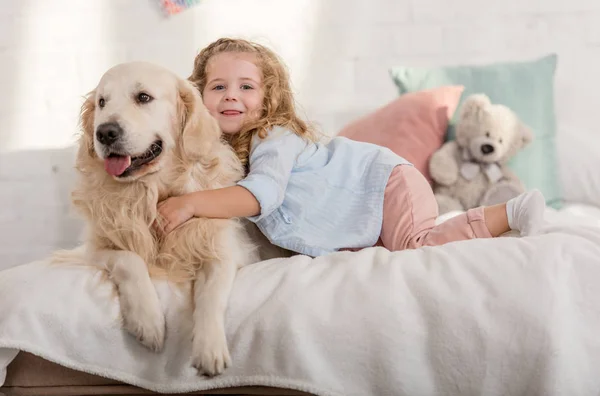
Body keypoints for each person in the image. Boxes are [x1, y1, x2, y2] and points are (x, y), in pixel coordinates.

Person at [156, 37, 546, 257]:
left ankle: (511, 211)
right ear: (198, 95)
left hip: (387, 183)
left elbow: (263, 195)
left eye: (246, 87)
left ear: (269, 97)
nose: (231, 96)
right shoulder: (221, 148)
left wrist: (190, 204)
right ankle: (485, 228)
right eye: (218, 87)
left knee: (415, 246)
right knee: (392, 245)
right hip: (372, 202)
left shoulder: (271, 136)